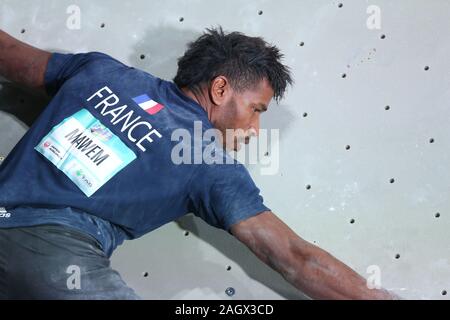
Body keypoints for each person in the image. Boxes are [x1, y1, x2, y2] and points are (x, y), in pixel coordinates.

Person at [0, 26, 398, 300]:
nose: (256, 128)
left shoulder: (100, 72)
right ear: (221, 88)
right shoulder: (204, 157)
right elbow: (292, 256)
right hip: (52, 259)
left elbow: (8, 54)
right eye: (256, 109)